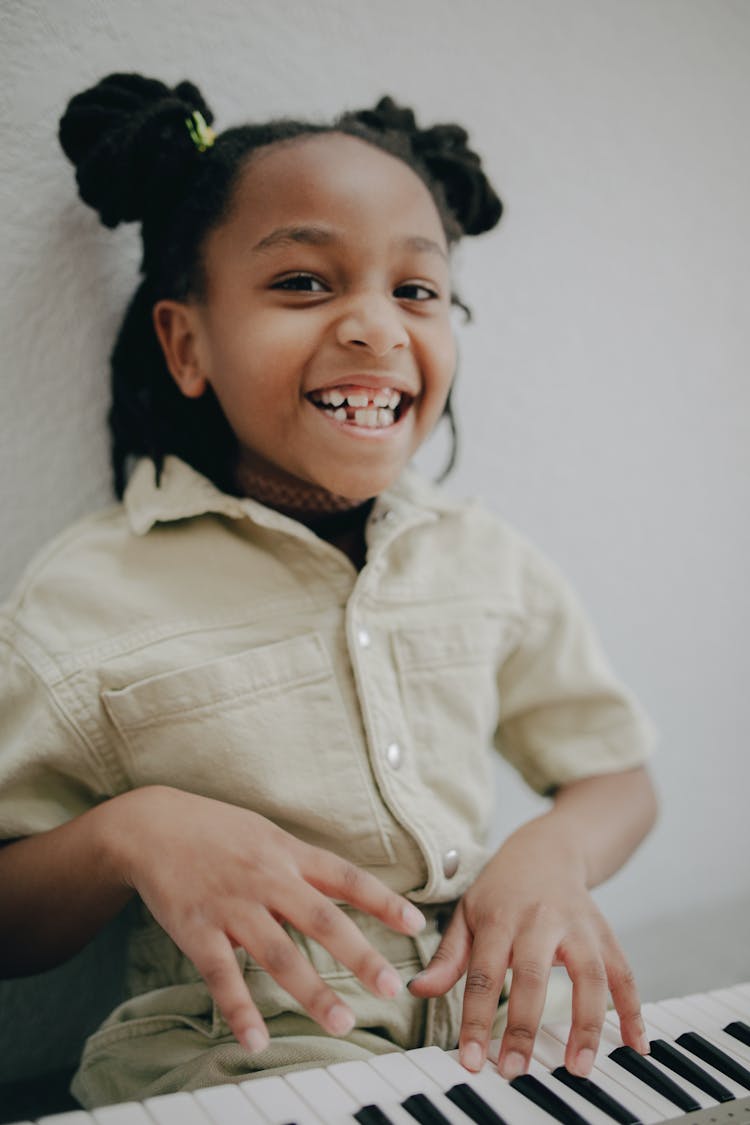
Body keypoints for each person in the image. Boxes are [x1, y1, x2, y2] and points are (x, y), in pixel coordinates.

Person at [0, 73, 658, 1110]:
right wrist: (134, 831)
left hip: (494, 1044)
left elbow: (619, 779)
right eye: (305, 283)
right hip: (236, 1064)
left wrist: (552, 854)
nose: (373, 327)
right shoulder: (88, 592)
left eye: (416, 290)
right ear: (186, 343)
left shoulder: (482, 557)